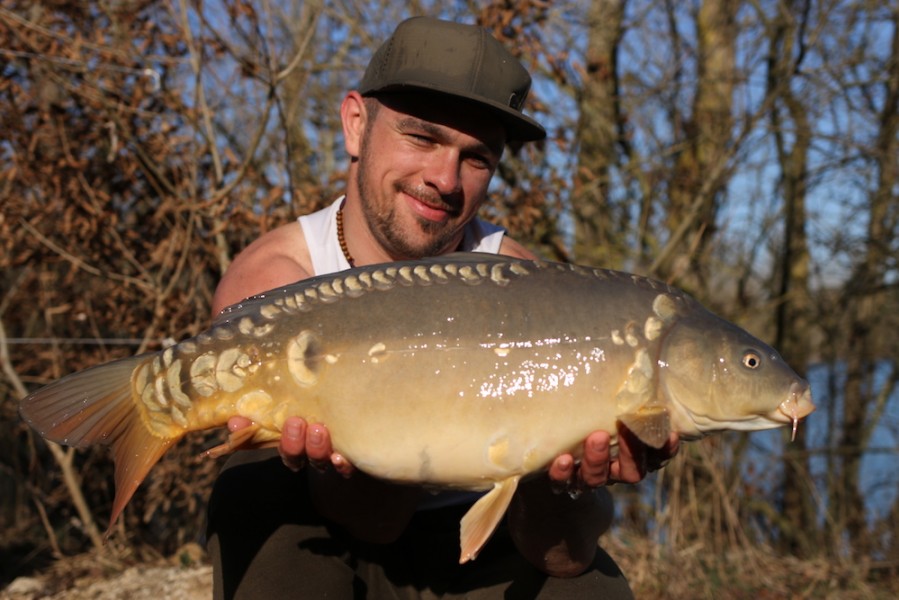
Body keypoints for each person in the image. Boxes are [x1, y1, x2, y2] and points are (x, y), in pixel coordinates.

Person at [205, 16, 678, 599]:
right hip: (330, 534)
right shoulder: (275, 283)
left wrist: (559, 480)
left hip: (479, 550)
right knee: (250, 483)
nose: (443, 178)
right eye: (421, 138)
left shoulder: (526, 288)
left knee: (592, 589)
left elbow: (565, 555)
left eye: (476, 157)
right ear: (356, 124)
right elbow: (373, 522)